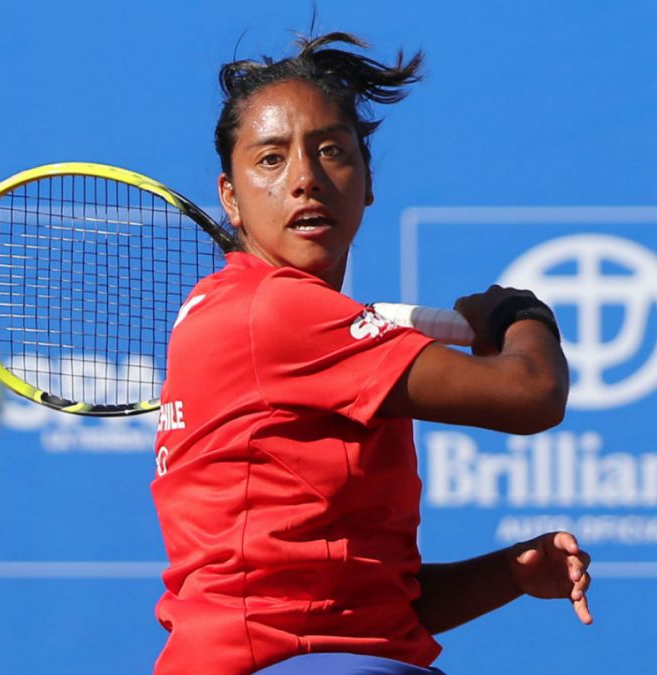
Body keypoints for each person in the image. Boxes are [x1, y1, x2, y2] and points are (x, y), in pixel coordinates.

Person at [151, 32, 591, 675]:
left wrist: (509, 574)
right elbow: (533, 394)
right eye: (270, 160)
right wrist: (519, 312)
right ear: (229, 198)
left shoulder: (259, 313)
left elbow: (362, 606)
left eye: (330, 151)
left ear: (367, 180)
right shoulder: (274, 310)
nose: (304, 179)